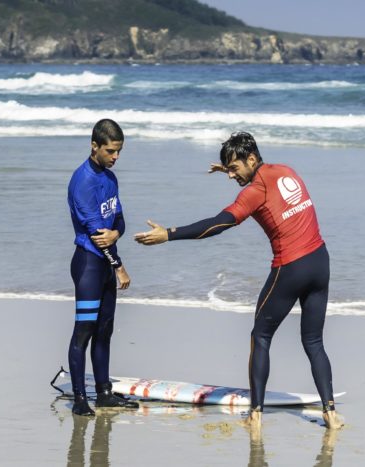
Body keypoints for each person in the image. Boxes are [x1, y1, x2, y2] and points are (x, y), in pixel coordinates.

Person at [134, 132, 343, 430]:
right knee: (313, 341)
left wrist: (169, 234)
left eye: (234, 169)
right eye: (228, 170)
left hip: (291, 267)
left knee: (260, 336)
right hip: (320, 261)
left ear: (252, 159)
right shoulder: (286, 171)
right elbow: (266, 185)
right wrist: (234, 169)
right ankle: (331, 413)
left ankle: (255, 415)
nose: (231, 176)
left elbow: (219, 224)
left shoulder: (254, 191)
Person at [67, 119, 138, 416]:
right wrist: (119, 266)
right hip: (89, 264)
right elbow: (97, 235)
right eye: (111, 150)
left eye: (119, 151)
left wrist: (118, 234)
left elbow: (118, 220)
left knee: (105, 329)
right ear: (94, 146)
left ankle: (104, 393)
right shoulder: (82, 181)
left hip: (106, 261)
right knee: (83, 331)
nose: (116, 156)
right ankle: (80, 399)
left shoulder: (110, 178)